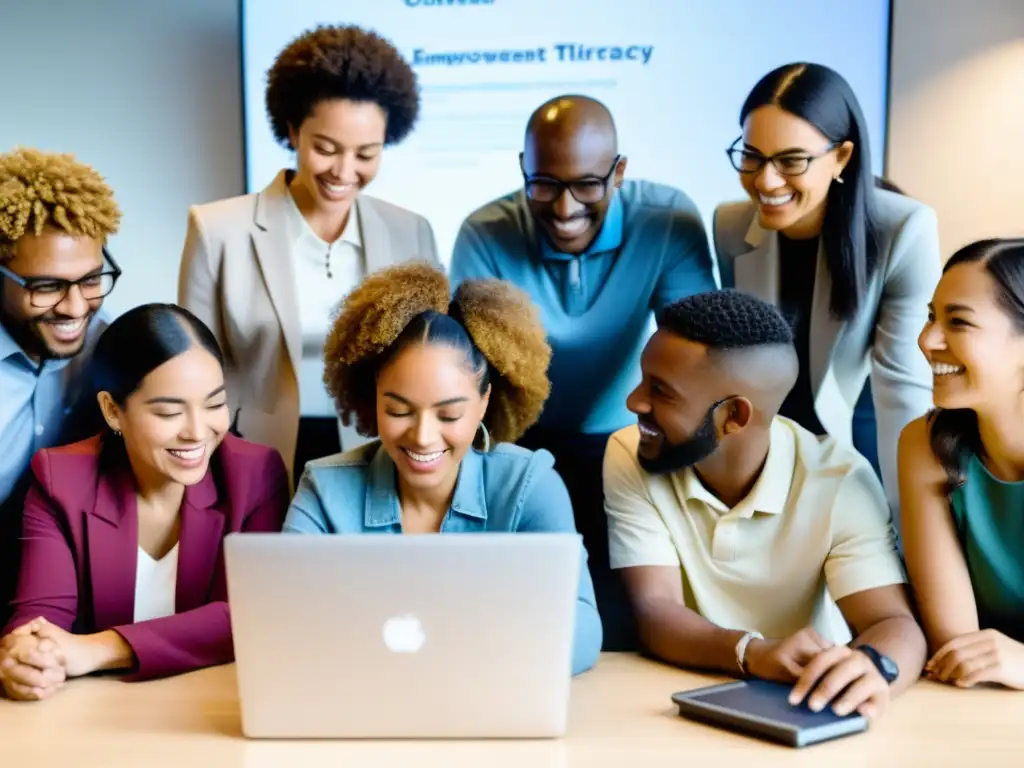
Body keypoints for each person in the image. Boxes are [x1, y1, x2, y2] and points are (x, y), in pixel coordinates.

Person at [449, 94, 716, 650]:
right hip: (517, 444)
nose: (565, 207)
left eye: (587, 185)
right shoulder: (485, 231)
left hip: (629, 444)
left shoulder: (666, 220)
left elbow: (694, 351)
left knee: (625, 625)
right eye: (543, 184)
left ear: (619, 172)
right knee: (515, 621)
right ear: (522, 170)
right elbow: (474, 368)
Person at [604, 289, 925, 719]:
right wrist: (752, 653)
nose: (634, 402)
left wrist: (871, 668)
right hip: (666, 698)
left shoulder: (840, 479)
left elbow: (894, 625)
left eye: (661, 392)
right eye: (644, 379)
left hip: (798, 701)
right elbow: (655, 610)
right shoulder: (630, 452)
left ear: (734, 416)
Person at [284, 262, 602, 675]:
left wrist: (449, 659)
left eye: (449, 416)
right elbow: (286, 619)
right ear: (372, 397)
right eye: (398, 411)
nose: (422, 437)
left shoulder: (531, 487)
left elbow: (582, 630)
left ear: (485, 402)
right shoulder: (323, 490)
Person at [179, 24, 439, 485]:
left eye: (366, 154)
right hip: (252, 454)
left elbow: (431, 361)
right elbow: (191, 369)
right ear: (293, 129)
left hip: (377, 454)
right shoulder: (217, 229)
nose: (344, 171)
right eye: (325, 148)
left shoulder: (410, 232)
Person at [0, 304, 289, 701]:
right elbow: (38, 621)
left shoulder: (255, 475)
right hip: (95, 715)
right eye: (170, 411)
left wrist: (95, 649)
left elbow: (251, 614)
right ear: (113, 411)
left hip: (215, 707)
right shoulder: (61, 479)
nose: (197, 431)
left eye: (215, 404)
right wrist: (29, 657)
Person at [713, 63, 941, 528]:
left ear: (842, 157)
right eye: (752, 156)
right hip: (770, 453)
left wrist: (906, 526)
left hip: (863, 446)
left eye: (792, 161)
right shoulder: (730, 226)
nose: (765, 181)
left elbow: (904, 392)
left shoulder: (904, 229)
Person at [0, 148, 123, 626]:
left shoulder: (105, 343)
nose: (75, 309)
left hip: (44, 581)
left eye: (90, 279)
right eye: (46, 286)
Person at [900, 239, 1024, 691]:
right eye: (932, 317)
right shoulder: (924, 444)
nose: (926, 340)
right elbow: (958, 649)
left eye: (958, 322)